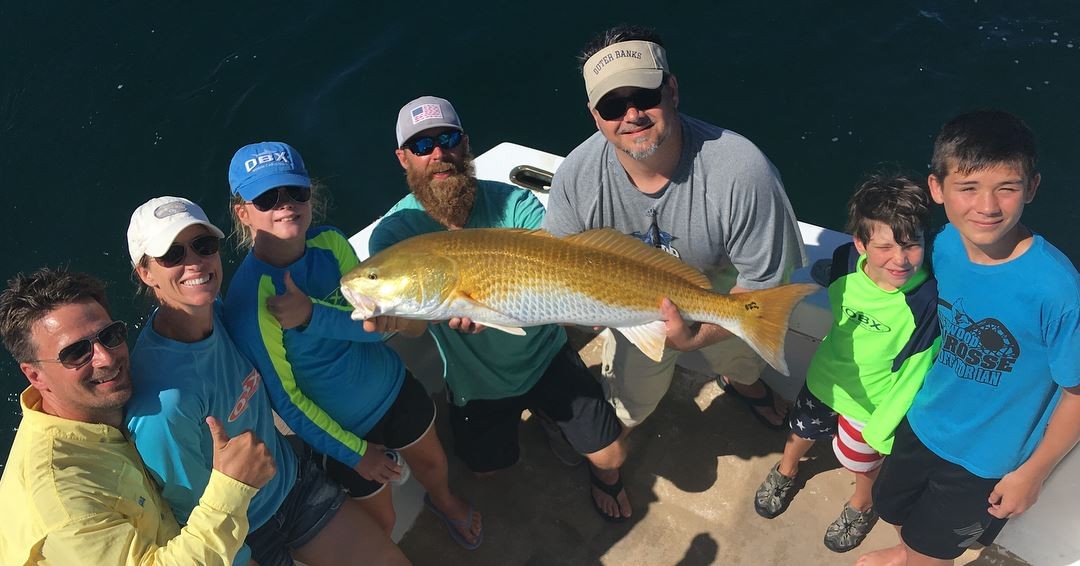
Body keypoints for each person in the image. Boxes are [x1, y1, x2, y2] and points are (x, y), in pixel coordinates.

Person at [543, 24, 806, 491]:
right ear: (594, 115)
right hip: (627, 307)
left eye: (644, 95)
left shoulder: (741, 170)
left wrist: (695, 336)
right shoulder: (575, 178)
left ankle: (740, 381)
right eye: (611, 105)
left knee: (741, 356)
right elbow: (552, 271)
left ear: (672, 89)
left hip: (723, 285)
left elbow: (762, 281)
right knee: (630, 398)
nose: (632, 115)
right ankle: (617, 436)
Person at [369, 95, 629, 520]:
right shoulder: (395, 236)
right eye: (422, 146)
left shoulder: (516, 205)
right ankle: (541, 417)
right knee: (488, 471)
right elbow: (412, 327)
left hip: (546, 356)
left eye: (448, 139)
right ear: (403, 158)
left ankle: (551, 413)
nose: (439, 154)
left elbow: (561, 274)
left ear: (465, 143)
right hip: (477, 384)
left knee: (613, 458)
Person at [222, 141, 482, 550]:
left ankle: (445, 502)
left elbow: (378, 327)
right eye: (267, 197)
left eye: (296, 191)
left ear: (311, 193)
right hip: (342, 431)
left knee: (434, 463)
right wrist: (357, 454)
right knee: (382, 519)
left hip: (392, 386)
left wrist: (311, 316)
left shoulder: (330, 242)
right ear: (243, 212)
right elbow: (286, 403)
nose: (285, 204)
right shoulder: (248, 302)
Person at [123, 196, 407, 566]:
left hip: (293, 484)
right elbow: (188, 509)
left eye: (203, 245)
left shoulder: (220, 313)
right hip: (244, 535)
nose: (194, 261)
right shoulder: (162, 405)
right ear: (146, 272)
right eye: (172, 255)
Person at [858, 110, 1080, 566]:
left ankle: (916, 556)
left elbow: (1077, 391)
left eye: (1007, 187)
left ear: (1032, 188)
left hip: (984, 459)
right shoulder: (940, 246)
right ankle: (906, 550)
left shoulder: (1057, 291)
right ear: (937, 189)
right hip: (923, 420)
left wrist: (1032, 475)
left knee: (934, 550)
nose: (987, 206)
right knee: (892, 505)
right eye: (968, 187)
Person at [0, 267, 275, 565]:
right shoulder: (62, 499)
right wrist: (232, 487)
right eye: (76, 353)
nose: (106, 358)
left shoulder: (98, 412)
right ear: (35, 375)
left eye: (109, 335)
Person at [752, 175, 939, 553]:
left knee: (862, 463)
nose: (900, 260)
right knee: (800, 428)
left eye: (912, 244)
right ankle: (787, 468)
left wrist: (883, 430)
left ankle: (862, 502)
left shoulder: (926, 303)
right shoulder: (844, 261)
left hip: (871, 407)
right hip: (824, 380)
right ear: (861, 244)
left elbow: (916, 371)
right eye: (884, 246)